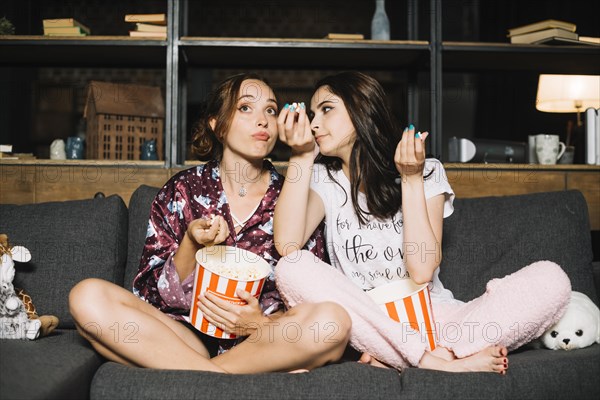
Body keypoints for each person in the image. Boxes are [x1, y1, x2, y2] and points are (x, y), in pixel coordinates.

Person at [273, 71, 571, 373]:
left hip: (435, 318)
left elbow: (422, 269)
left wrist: (411, 179)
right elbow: (287, 243)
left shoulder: (427, 170)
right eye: (312, 113)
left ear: (362, 109)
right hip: (370, 326)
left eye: (326, 109)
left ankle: (428, 355)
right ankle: (433, 362)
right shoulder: (325, 179)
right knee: (292, 267)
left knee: (552, 279)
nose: (312, 124)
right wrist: (301, 155)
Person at [69, 73, 351, 373]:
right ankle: (216, 374)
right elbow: (150, 295)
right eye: (245, 108)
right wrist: (190, 244)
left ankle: (202, 375)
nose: (263, 120)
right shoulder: (183, 190)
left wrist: (260, 323)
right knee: (87, 296)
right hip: (184, 338)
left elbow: (312, 290)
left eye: (270, 110)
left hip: (262, 344)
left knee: (333, 322)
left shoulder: (294, 196)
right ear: (217, 125)